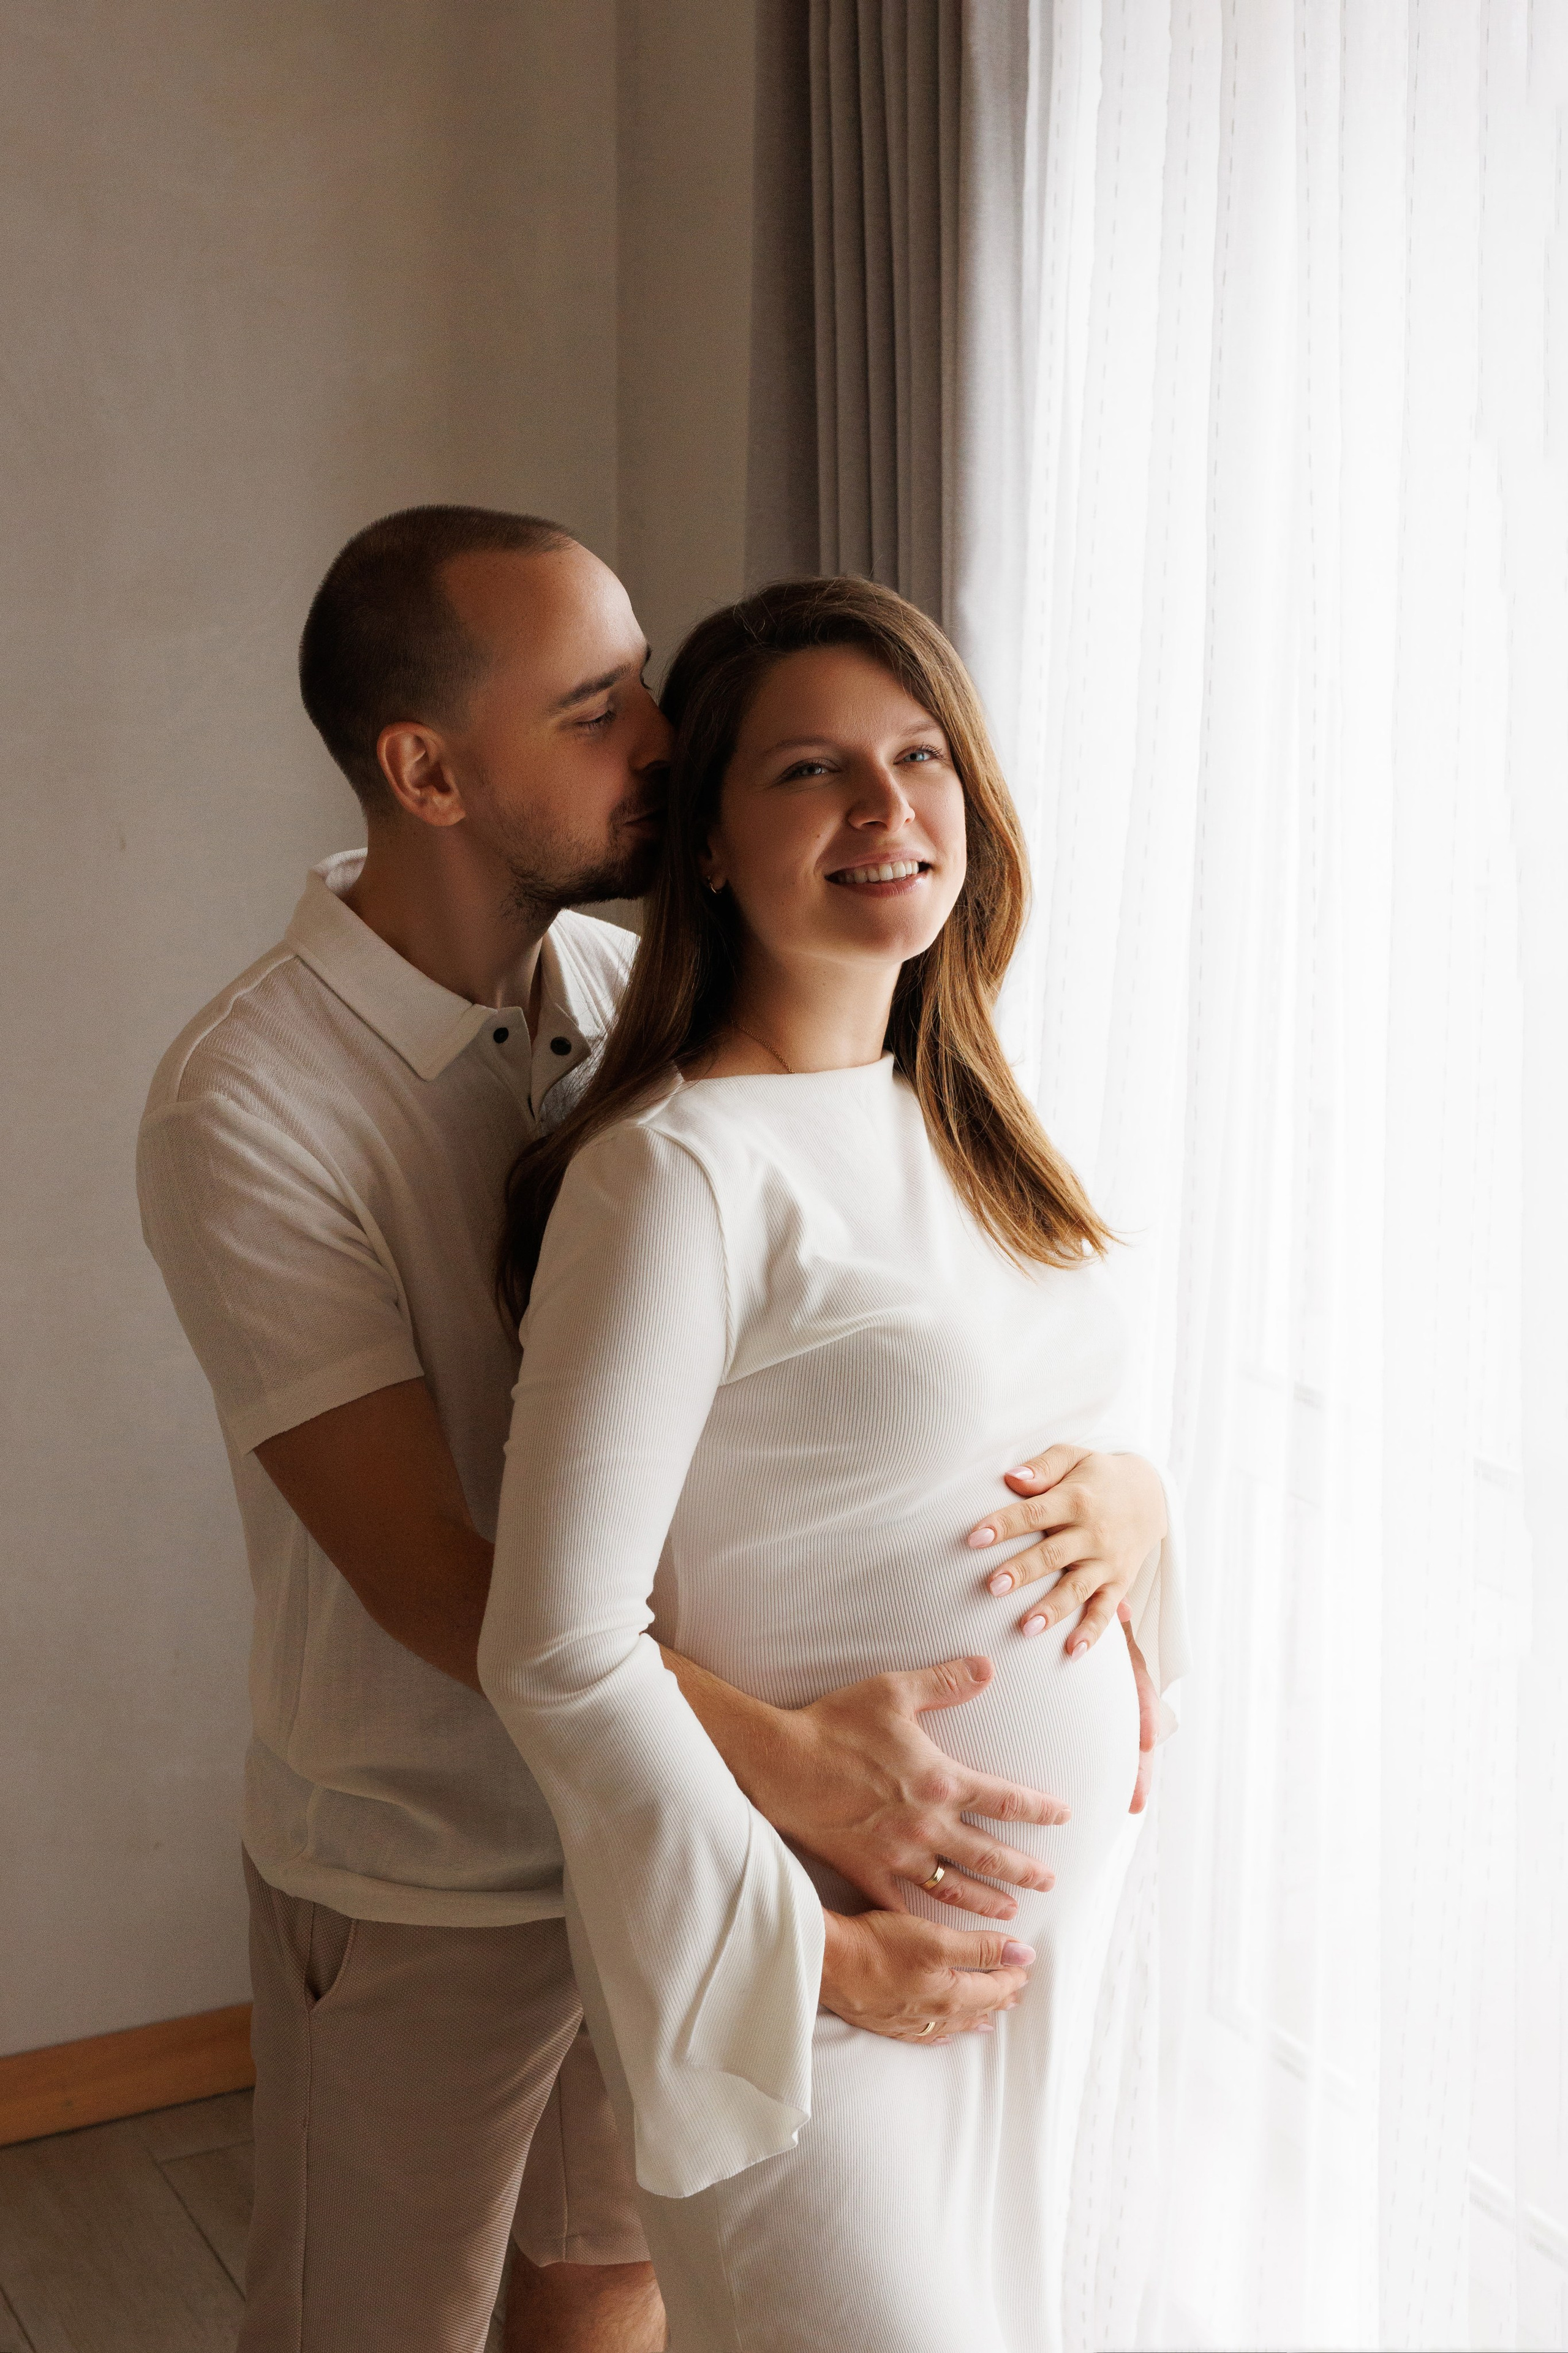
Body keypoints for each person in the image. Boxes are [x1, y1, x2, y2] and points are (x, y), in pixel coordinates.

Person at [138, 508, 1170, 2353]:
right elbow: (446, 1583)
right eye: (602, 703)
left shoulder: (622, 1005)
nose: (663, 734)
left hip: (680, 1840)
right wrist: (789, 1774)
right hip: (435, 1853)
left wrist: (1127, 1499)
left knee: (610, 2296)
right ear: (427, 769)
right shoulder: (254, 1102)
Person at [480, 574, 1189, 2353]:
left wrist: (1142, 1502)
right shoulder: (683, 1176)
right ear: (708, 843)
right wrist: (814, 1939)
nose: (888, 809)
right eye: (812, 770)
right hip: (825, 1977)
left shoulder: (962, 1114)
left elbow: (1040, 1417)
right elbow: (552, 1642)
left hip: (1028, 1951)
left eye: (920, 754)